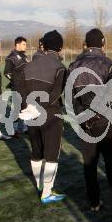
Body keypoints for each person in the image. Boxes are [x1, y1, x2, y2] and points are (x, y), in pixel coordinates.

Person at [69, 28, 112, 211]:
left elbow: (70, 96)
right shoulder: (108, 63)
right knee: (110, 159)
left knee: (89, 162)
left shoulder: (74, 64)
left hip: (83, 119)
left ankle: (94, 202)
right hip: (104, 119)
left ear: (86, 44)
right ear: (102, 43)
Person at [22, 30, 67, 204]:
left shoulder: (29, 64)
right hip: (50, 113)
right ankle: (47, 192)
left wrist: (30, 106)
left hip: (31, 112)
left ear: (44, 45)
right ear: (60, 47)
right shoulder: (59, 67)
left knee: (36, 151)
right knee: (51, 154)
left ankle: (40, 185)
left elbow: (21, 89)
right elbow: (56, 95)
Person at [4, 36, 29, 136]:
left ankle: (23, 127)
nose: (25, 46)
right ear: (17, 44)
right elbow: (7, 73)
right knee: (17, 108)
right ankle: (13, 129)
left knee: (25, 106)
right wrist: (15, 81)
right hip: (18, 87)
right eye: (24, 44)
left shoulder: (24, 56)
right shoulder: (11, 57)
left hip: (26, 86)